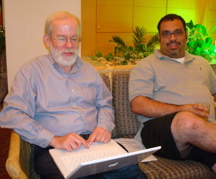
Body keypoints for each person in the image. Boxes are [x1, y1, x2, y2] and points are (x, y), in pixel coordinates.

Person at [0, 11, 146, 179]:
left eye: (74, 38)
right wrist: (54, 139)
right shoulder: (31, 71)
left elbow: (104, 104)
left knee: (133, 173)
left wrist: (103, 126)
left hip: (95, 144)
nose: (69, 45)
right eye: (61, 38)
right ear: (47, 40)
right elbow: (11, 114)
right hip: (54, 149)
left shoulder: (89, 71)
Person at [129, 13, 216, 178]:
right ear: (159, 37)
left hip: (203, 134)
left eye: (177, 32)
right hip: (160, 133)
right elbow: (138, 104)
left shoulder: (201, 62)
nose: (172, 38)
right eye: (166, 33)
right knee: (187, 120)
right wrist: (182, 109)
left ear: (186, 36)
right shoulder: (146, 66)